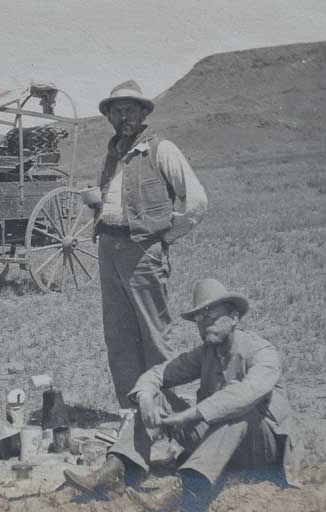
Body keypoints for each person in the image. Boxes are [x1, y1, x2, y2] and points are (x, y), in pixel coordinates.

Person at [64, 279, 301, 511]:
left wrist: (188, 415)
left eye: (212, 317)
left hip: (261, 450)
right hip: (217, 442)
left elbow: (244, 395)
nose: (205, 324)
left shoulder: (261, 352)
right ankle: (116, 469)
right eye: (199, 319)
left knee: (238, 414)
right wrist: (146, 399)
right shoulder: (206, 353)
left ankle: (187, 490)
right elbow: (159, 373)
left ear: (234, 317)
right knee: (159, 397)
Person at [88, 80, 208, 408]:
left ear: (142, 113)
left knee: (155, 334)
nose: (123, 116)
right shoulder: (113, 155)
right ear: (109, 117)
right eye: (116, 111)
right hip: (109, 250)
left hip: (142, 251)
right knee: (119, 335)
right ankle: (133, 413)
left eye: (129, 110)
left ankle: (169, 410)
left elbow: (196, 200)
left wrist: (163, 238)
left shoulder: (160, 149)